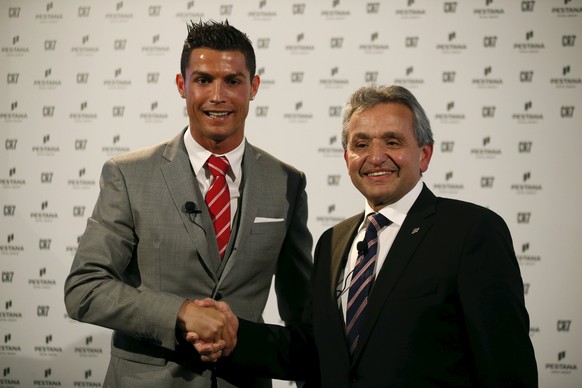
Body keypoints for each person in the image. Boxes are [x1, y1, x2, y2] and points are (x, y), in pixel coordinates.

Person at [194, 84, 538, 387]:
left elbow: (506, 368)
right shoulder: (333, 241)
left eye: (392, 141)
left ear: (425, 154)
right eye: (361, 144)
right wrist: (236, 335)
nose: (375, 157)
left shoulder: (472, 231)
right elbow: (313, 351)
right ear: (347, 158)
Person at [64, 20, 313, 388]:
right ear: (182, 86)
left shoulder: (287, 182)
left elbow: (303, 317)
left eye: (232, 81)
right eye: (203, 80)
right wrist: (179, 314)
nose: (218, 96)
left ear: (253, 87)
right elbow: (84, 288)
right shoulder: (128, 175)